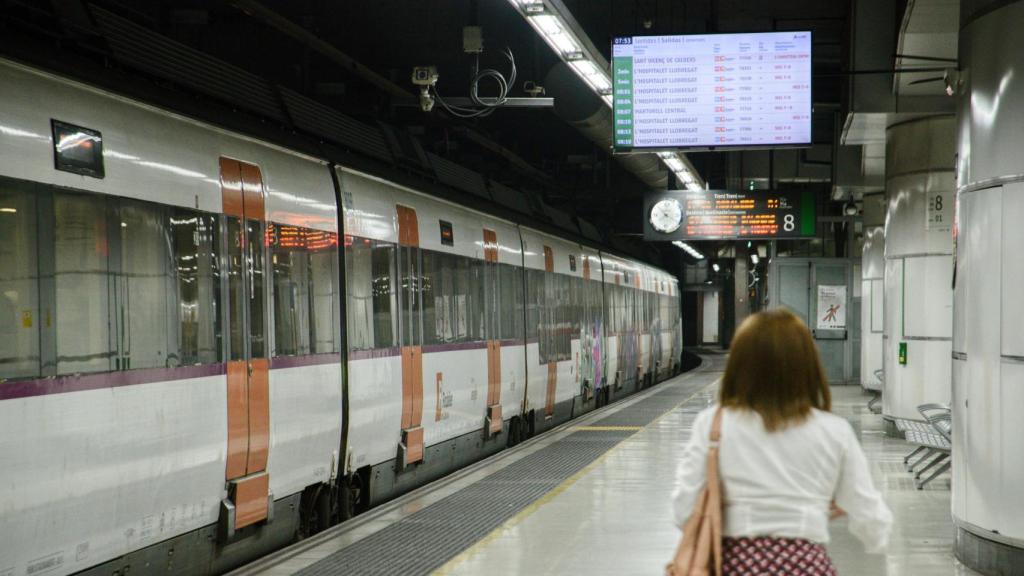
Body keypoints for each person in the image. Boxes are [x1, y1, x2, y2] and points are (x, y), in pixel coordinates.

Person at [671, 309, 892, 575]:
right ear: (807, 366)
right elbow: (870, 516)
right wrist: (874, 540)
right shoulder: (834, 431)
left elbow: (684, 508)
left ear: (739, 365)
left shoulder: (712, 425)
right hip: (806, 565)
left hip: (734, 564)